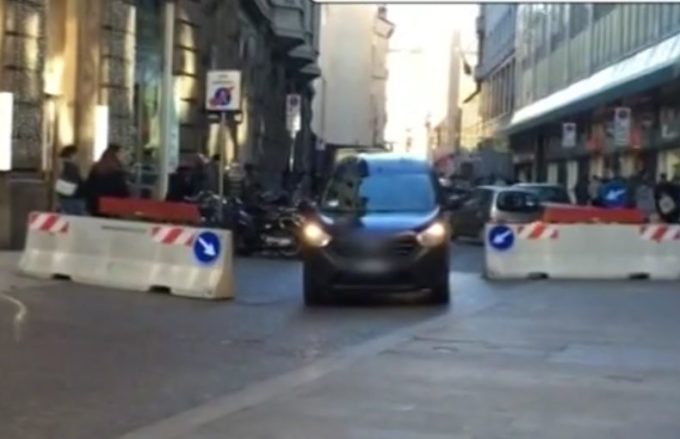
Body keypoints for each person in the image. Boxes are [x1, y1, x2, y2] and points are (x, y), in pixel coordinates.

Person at [85, 143, 130, 216]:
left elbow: (88, 186)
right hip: (111, 207)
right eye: (121, 154)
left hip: (95, 205)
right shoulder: (116, 171)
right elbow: (122, 192)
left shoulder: (96, 168)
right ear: (116, 155)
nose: (123, 156)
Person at [55, 145, 87, 215]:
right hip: (74, 199)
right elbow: (76, 183)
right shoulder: (71, 167)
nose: (79, 157)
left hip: (66, 198)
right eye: (77, 154)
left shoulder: (64, 165)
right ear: (72, 155)